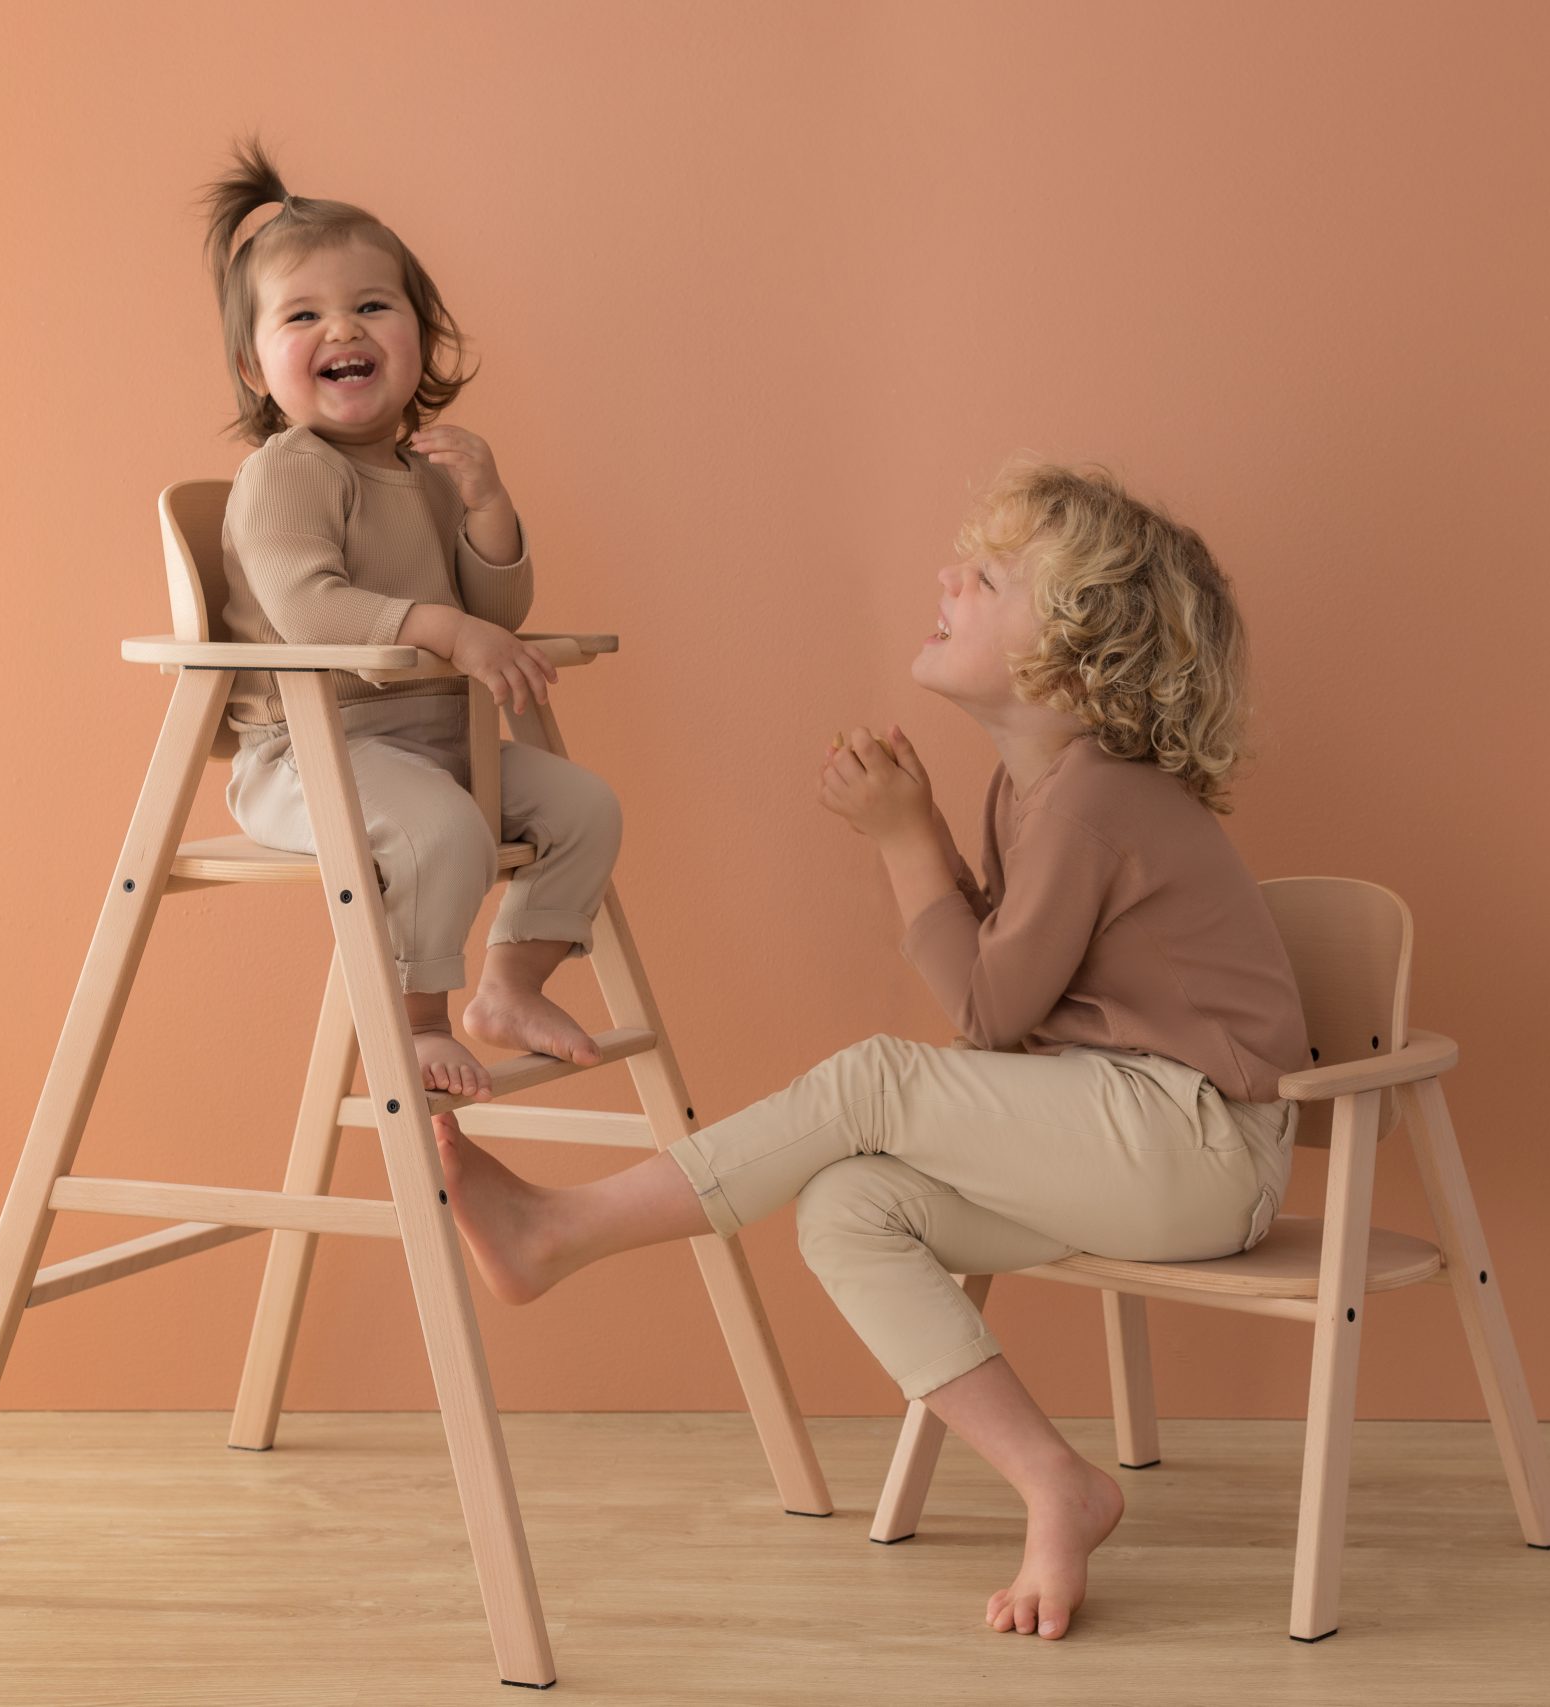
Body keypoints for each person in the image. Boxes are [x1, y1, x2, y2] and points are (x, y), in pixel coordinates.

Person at [438, 460, 1309, 1641]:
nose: (949, 576)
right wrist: (932, 835)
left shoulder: (1099, 796)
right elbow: (996, 1008)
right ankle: (1059, 1483)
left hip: (1195, 1141)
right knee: (848, 1204)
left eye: (989, 575)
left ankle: (560, 1232)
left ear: (1074, 648)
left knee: (870, 1081)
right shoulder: (1040, 787)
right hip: (1115, 1131)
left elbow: (990, 1018)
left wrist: (907, 841)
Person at [198, 137, 619, 1093]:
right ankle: (419, 1015)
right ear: (255, 367)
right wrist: (444, 628)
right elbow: (309, 611)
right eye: (304, 314)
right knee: (441, 831)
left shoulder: (423, 469)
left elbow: (497, 612)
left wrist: (488, 509)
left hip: (432, 737)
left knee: (586, 806)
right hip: (308, 750)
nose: (342, 328)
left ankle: (508, 984)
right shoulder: (286, 473)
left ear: (418, 336)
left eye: (371, 306)